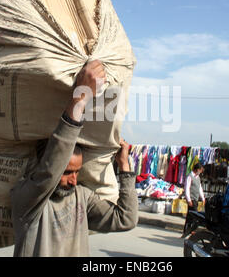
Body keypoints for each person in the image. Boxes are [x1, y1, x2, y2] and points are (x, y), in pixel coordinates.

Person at [11, 60, 138, 257]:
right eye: (68, 172)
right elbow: (52, 167)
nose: (74, 180)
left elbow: (126, 220)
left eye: (77, 172)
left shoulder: (82, 197)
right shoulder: (27, 198)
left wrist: (124, 165)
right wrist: (81, 97)